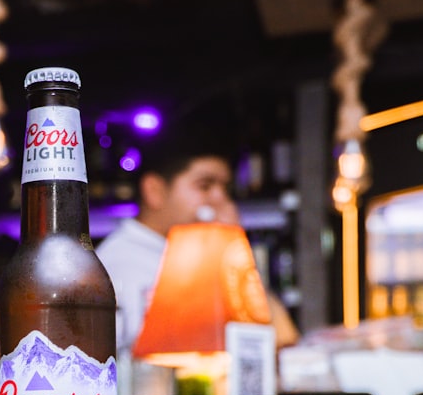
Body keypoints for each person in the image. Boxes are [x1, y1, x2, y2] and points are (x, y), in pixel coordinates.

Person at [95, 135, 300, 353]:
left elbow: (282, 337)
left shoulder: (194, 257)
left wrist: (234, 246)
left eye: (225, 189)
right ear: (154, 191)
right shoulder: (121, 265)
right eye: (205, 186)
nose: (221, 199)